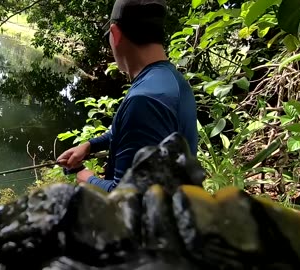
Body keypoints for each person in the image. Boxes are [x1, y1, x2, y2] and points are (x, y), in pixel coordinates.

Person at [57, 0, 198, 193]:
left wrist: (86, 178)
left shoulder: (144, 100)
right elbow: (126, 132)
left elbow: (129, 197)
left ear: (115, 34)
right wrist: (89, 146)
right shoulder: (171, 81)